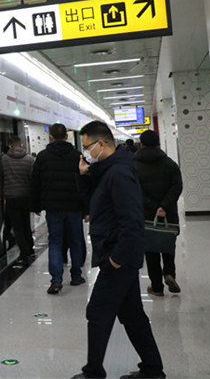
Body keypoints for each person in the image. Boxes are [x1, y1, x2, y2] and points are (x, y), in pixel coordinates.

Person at [72, 121, 164, 379]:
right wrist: (84, 175)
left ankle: (93, 372)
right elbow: (91, 204)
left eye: (87, 146)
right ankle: (153, 369)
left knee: (97, 312)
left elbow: (132, 221)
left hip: (119, 255)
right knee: (132, 314)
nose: (85, 152)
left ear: (101, 144)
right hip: (116, 253)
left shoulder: (119, 173)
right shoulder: (106, 170)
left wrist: (117, 258)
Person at [31, 123, 87, 293]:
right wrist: (87, 209)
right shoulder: (77, 156)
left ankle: (56, 280)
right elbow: (85, 183)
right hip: (74, 207)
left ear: (51, 137)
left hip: (53, 208)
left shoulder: (42, 157)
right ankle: (76, 275)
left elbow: (35, 183)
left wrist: (36, 205)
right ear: (66, 136)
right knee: (76, 241)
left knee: (55, 242)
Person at [134, 130, 183, 297]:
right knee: (168, 243)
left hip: (146, 214)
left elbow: (136, 190)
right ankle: (169, 273)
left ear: (141, 144)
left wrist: (152, 206)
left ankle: (156, 287)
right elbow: (177, 186)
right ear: (158, 144)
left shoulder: (134, 165)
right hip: (168, 213)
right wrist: (164, 206)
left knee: (151, 251)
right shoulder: (169, 163)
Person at [0, 136, 34, 264]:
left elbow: (1, 177)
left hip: (11, 197)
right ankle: (30, 249)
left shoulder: (4, 159)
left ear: (10, 145)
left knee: (17, 227)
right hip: (25, 196)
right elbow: (32, 179)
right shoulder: (29, 159)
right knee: (26, 224)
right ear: (21, 145)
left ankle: (24, 253)